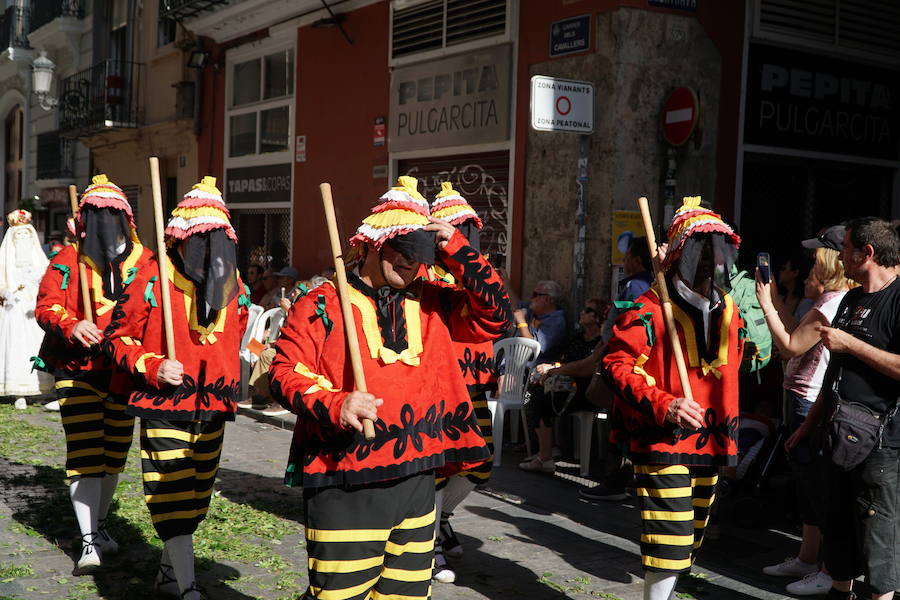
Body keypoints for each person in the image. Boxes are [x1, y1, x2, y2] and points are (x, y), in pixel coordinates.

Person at [269, 176, 510, 600]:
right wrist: (335, 403)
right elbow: (284, 372)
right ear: (373, 245)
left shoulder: (435, 300)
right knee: (339, 595)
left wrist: (455, 245)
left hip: (417, 480)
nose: (408, 266)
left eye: (418, 257)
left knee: (408, 596)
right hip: (345, 478)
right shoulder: (322, 302)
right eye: (400, 253)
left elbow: (496, 314)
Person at [103, 176, 249, 600]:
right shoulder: (152, 276)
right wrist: (151, 364)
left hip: (214, 405)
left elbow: (233, 335)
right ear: (180, 239)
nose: (207, 252)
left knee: (198, 496)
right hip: (164, 402)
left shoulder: (232, 283)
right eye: (198, 241)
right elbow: (117, 338)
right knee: (171, 489)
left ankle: (169, 573)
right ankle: (188, 587)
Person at [603, 197, 744, 600]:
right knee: (670, 539)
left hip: (712, 438)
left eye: (715, 254)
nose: (708, 263)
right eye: (699, 253)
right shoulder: (650, 307)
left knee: (691, 539)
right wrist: (666, 404)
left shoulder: (730, 307)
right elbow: (616, 365)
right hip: (662, 438)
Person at [34, 175, 155, 573]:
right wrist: (71, 324)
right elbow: (47, 308)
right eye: (95, 214)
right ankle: (87, 540)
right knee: (85, 452)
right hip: (78, 369)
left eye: (110, 214)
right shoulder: (67, 260)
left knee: (114, 454)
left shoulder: (148, 262)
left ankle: (100, 526)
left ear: (125, 217)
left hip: (123, 372)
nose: (103, 221)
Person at [787, 217, 900, 600]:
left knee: (877, 539)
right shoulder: (851, 300)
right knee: (838, 530)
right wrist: (808, 426)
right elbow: (834, 374)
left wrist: (851, 345)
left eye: (846, 247)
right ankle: (839, 589)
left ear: (866, 253)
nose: (840, 255)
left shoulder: (898, 299)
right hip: (836, 436)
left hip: (881, 446)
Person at [757, 228, 854, 597]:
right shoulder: (828, 299)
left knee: (816, 485)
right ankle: (807, 556)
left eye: (817, 258)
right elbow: (797, 330)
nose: (810, 263)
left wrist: (765, 301)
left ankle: (827, 568)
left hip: (809, 401)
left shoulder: (832, 302)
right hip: (800, 397)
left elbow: (790, 346)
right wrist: (779, 299)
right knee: (805, 482)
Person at [426, 181, 501, 583]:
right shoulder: (427, 275)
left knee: (479, 464)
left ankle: (444, 519)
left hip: (473, 384)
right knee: (441, 465)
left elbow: (493, 316)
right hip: (440, 384)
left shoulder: (478, 272)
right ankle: (432, 542)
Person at [519, 296, 605, 473]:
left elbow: (585, 368)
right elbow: (564, 361)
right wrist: (553, 368)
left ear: (598, 318)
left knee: (542, 399)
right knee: (536, 392)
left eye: (588, 310)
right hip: (570, 387)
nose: (582, 312)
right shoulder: (577, 338)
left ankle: (545, 457)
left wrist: (554, 370)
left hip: (589, 391)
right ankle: (546, 450)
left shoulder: (600, 343)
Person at [0, 210, 53, 407]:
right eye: (19, 235)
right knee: (17, 347)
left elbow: (48, 279)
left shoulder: (39, 259)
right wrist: (6, 293)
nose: (22, 238)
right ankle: (17, 392)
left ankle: (42, 387)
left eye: (26, 234)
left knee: (38, 345)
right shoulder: (6, 259)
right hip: (14, 311)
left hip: (35, 310)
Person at [513, 279, 567, 363]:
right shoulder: (533, 311)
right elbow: (515, 304)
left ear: (547, 299)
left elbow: (533, 347)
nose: (531, 299)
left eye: (535, 295)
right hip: (511, 364)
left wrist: (521, 323)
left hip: (530, 370)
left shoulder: (556, 322)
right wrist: (504, 280)